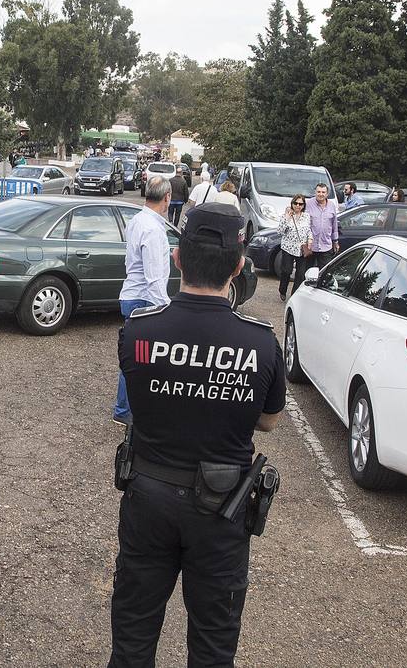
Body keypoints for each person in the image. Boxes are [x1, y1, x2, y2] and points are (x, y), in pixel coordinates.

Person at [111, 203, 284, 668]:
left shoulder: (140, 330)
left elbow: (140, 399)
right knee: (213, 643)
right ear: (239, 266)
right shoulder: (262, 342)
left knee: (133, 630)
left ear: (177, 259)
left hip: (148, 494)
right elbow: (267, 421)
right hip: (221, 507)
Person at [115, 177, 172, 427]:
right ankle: (127, 411)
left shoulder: (139, 220)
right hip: (144, 300)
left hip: (133, 295)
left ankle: (126, 409)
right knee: (141, 360)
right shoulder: (151, 228)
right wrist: (166, 308)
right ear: (167, 197)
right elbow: (154, 276)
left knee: (135, 357)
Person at [275, 195, 313, 302]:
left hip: (301, 248)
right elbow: (280, 231)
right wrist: (287, 217)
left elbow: (308, 230)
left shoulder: (306, 216)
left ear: (303, 205)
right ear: (292, 203)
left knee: (300, 273)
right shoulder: (286, 215)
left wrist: (310, 239)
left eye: (300, 204)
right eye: (296, 203)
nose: (298, 206)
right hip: (288, 247)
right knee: (287, 270)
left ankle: (294, 296)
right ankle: (282, 290)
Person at [306, 182, 340, 269]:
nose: (321, 194)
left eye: (323, 192)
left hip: (326, 246)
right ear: (315, 192)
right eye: (319, 192)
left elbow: (334, 224)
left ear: (327, 194)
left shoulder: (332, 205)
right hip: (310, 246)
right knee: (307, 272)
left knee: (324, 273)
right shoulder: (308, 204)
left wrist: (335, 241)